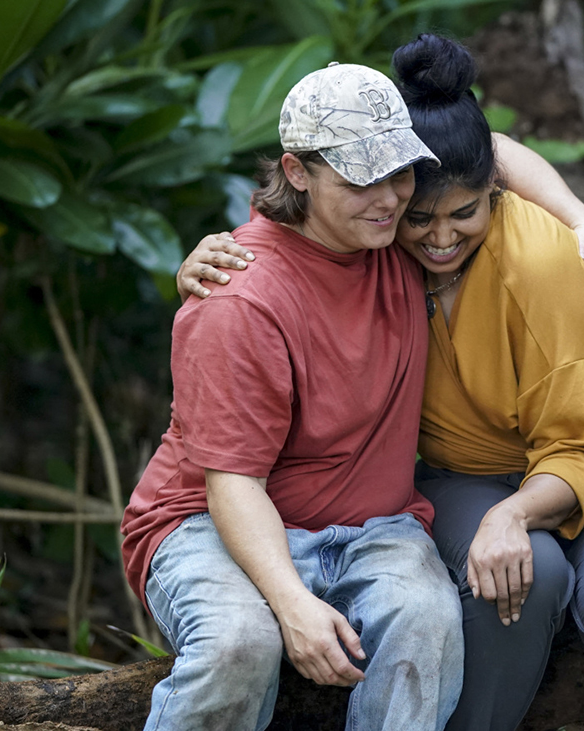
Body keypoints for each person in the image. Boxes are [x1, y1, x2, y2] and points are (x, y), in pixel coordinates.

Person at [181, 36, 584, 731]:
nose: (438, 238)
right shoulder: (383, 242)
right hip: (465, 471)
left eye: (463, 214)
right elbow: (301, 234)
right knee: (522, 581)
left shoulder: (542, 265)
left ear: (492, 191)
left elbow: (583, 449)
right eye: (418, 217)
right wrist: (209, 261)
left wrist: (577, 214)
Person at [121, 61, 464, 731]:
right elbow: (231, 486)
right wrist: (292, 606)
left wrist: (577, 215)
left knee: (430, 620)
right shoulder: (238, 297)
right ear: (298, 170)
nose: (391, 196)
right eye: (362, 177)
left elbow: (488, 151)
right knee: (241, 642)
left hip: (376, 527)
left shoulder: (401, 242)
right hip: (211, 520)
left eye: (400, 171)